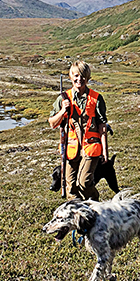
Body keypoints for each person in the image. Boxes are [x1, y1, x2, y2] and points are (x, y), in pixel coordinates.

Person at [49, 61, 108, 201]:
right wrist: (63, 110)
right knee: (70, 186)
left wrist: (105, 151)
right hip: (71, 149)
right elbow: (52, 123)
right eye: (76, 75)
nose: (79, 79)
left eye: (82, 76)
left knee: (85, 183)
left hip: (91, 147)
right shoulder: (63, 98)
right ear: (71, 77)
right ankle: (76, 214)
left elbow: (102, 126)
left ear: (87, 78)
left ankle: (95, 206)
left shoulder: (96, 99)